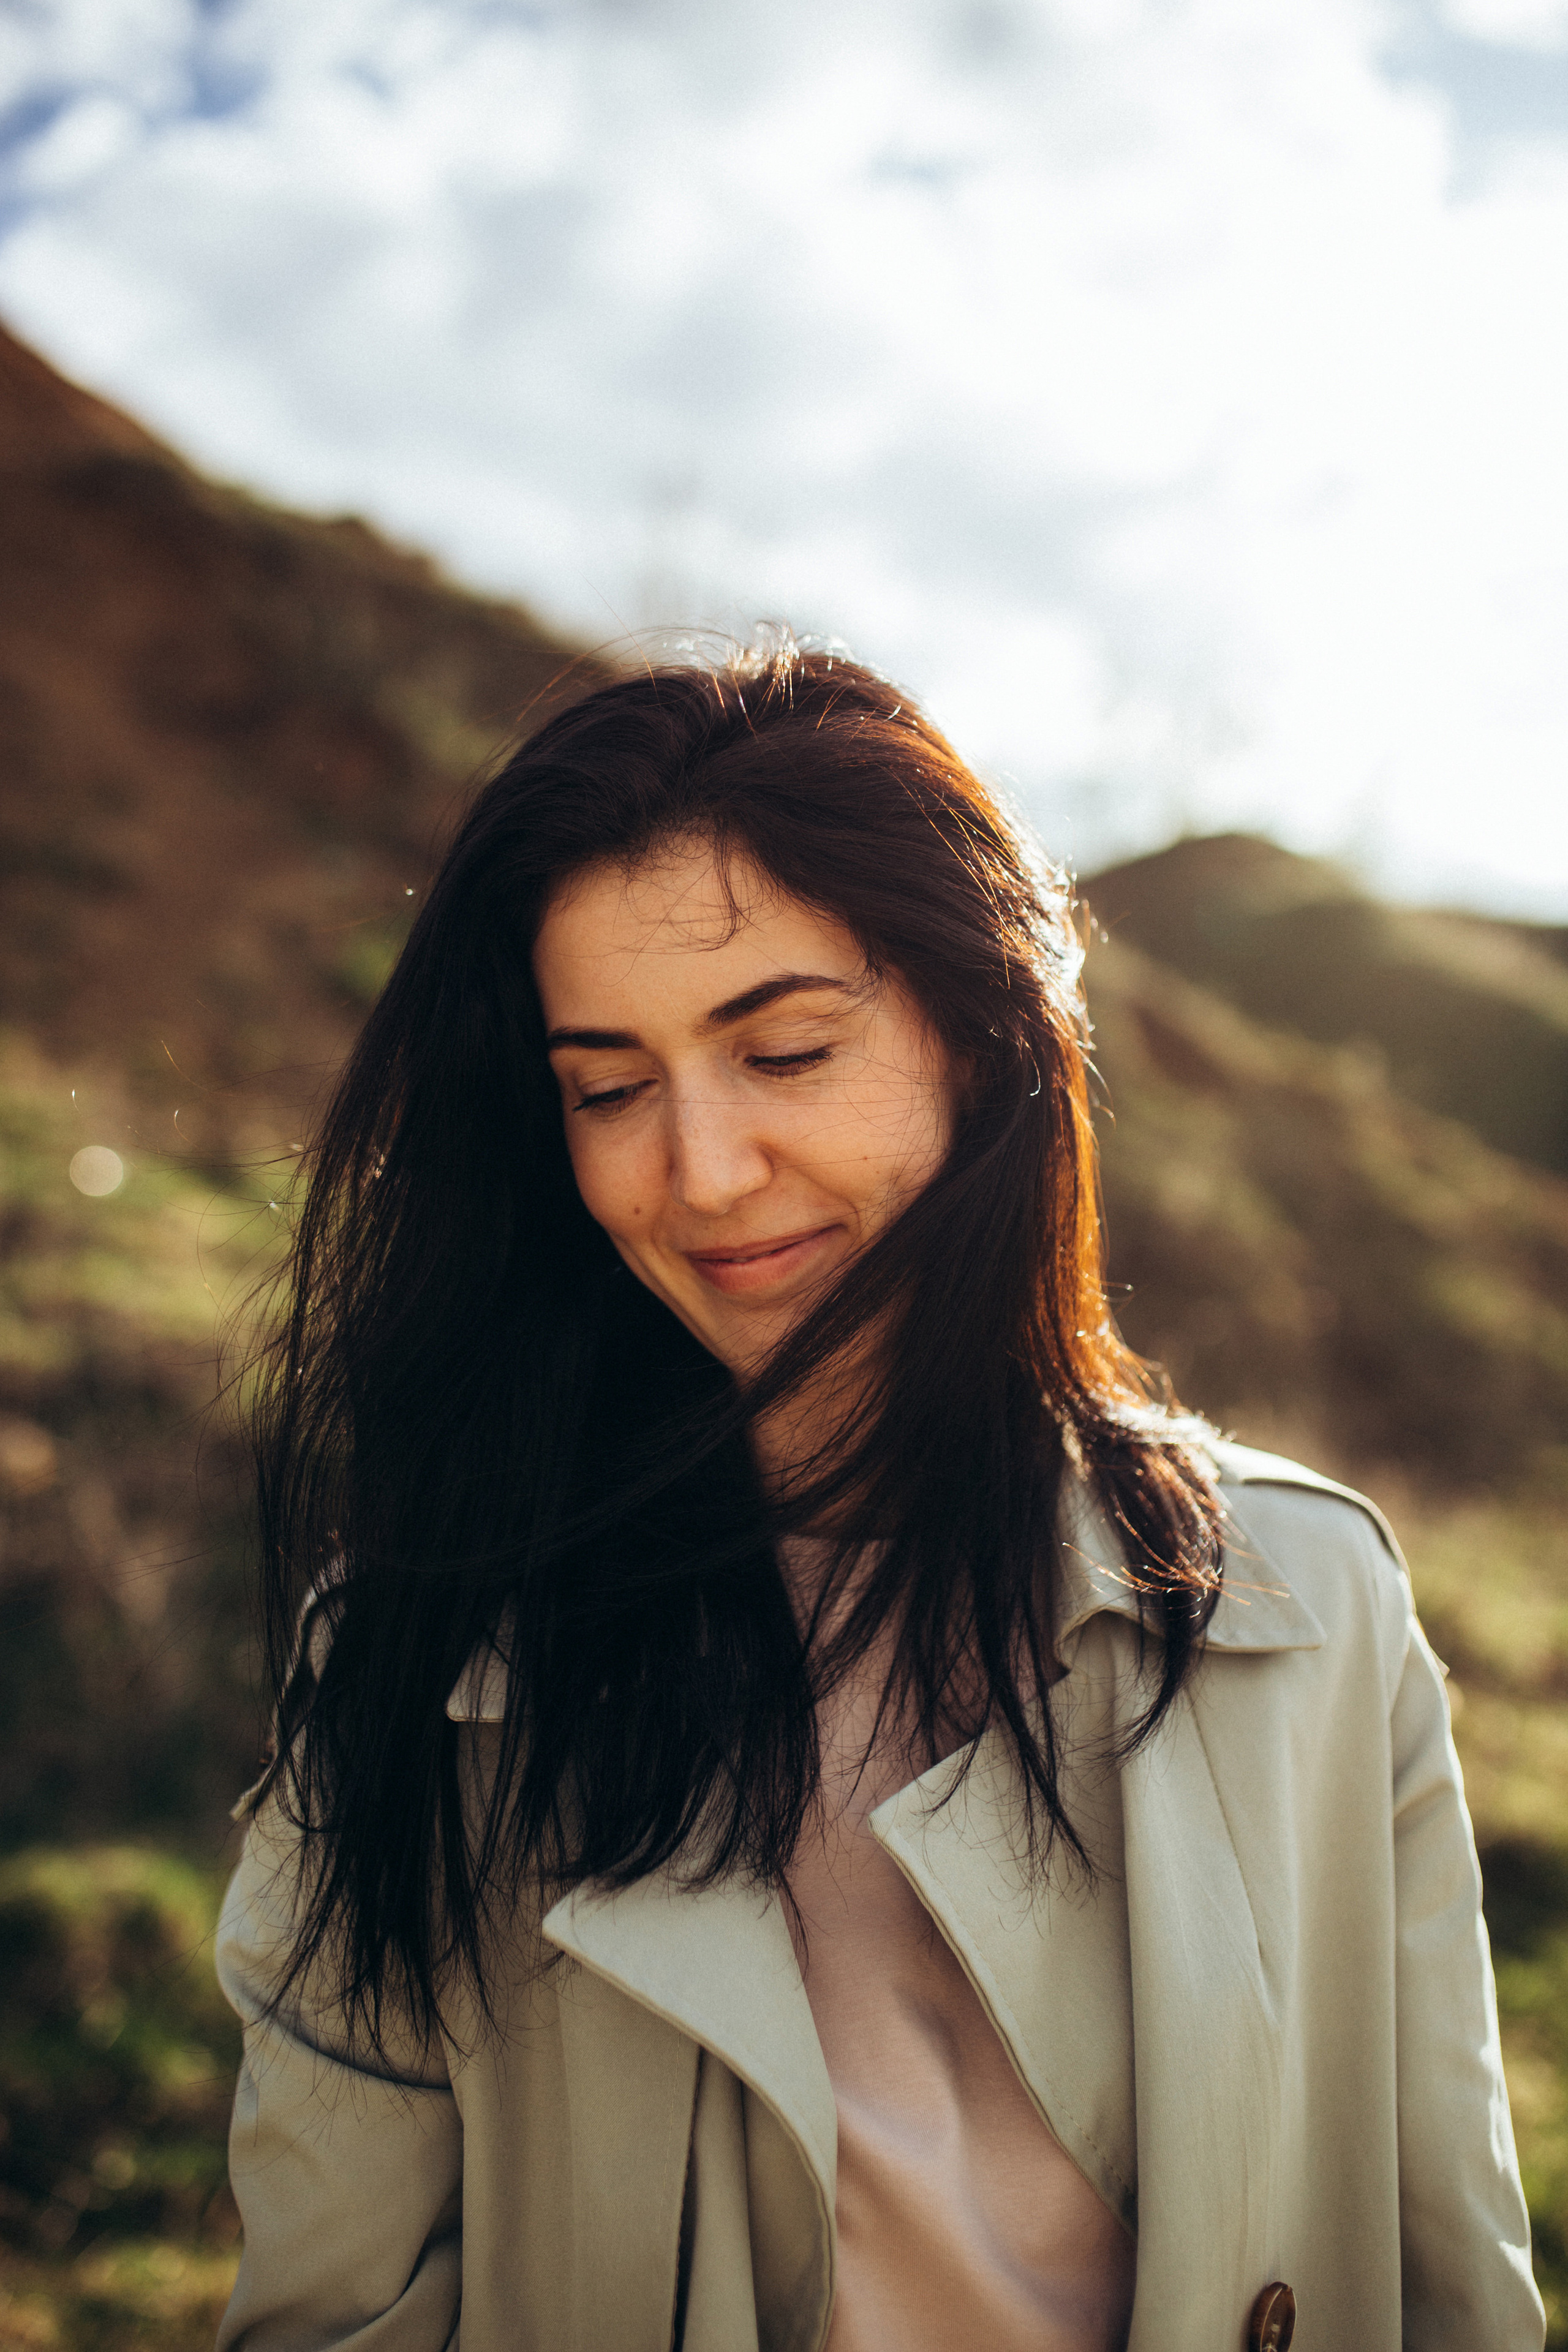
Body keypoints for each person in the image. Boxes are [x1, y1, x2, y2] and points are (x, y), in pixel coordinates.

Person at [215, 637, 1543, 2352]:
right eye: (608, 1089)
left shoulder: (1309, 1604)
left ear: (980, 1036)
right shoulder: (422, 1670)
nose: (699, 1172)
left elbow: (1457, 2290)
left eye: (783, 1054)